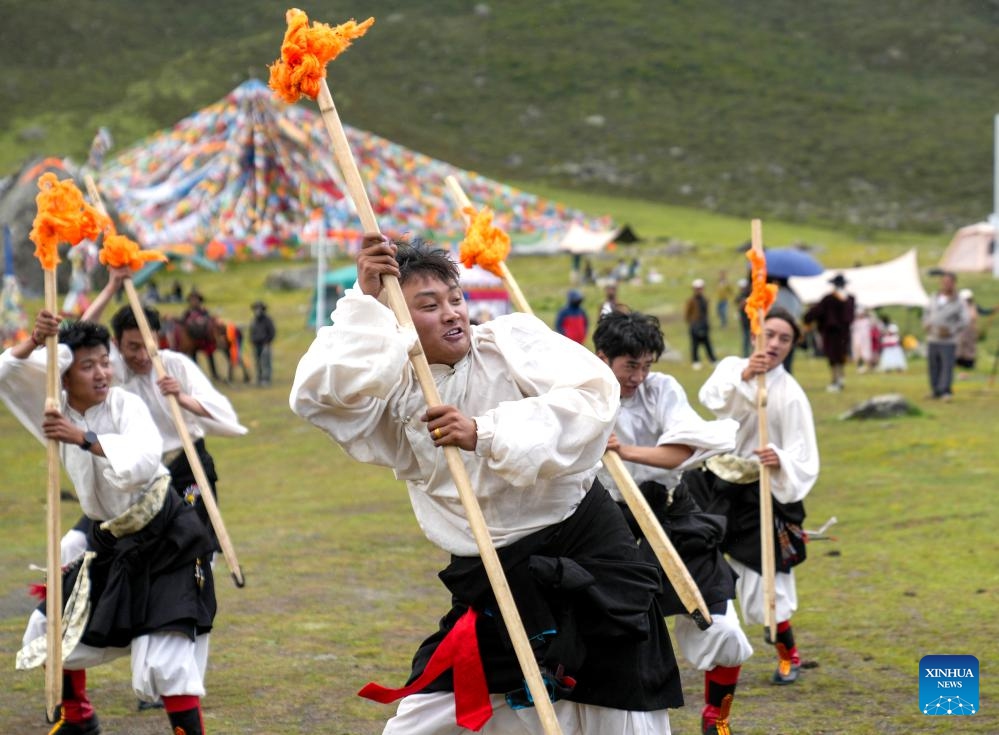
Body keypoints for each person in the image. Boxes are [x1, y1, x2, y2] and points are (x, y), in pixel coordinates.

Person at [290, 235, 681, 734]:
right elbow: (318, 397)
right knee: (419, 726)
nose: (452, 313)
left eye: (455, 298)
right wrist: (364, 304)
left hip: (586, 556)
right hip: (493, 577)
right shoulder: (390, 384)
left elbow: (594, 400)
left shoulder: (511, 342)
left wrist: (487, 432)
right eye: (428, 306)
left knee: (618, 718)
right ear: (396, 320)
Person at [1, 312, 217, 735]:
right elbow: (4, 374)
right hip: (111, 542)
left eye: (105, 361)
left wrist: (82, 438)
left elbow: (140, 464)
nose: (102, 372)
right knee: (51, 627)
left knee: (164, 661)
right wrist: (33, 342)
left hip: (166, 539)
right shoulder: (52, 406)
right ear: (63, 374)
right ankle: (78, 720)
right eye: (88, 365)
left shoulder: (126, 405)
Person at [591, 311, 753, 735]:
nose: (640, 376)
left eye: (647, 364)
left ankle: (717, 717)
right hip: (612, 523)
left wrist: (623, 450)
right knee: (618, 632)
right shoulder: (583, 394)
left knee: (721, 623)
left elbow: (678, 452)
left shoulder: (662, 389)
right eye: (631, 366)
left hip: (673, 512)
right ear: (603, 357)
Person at [695, 306, 819, 687]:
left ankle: (788, 653)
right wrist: (746, 375)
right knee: (701, 566)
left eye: (785, 338)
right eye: (769, 335)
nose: (776, 343)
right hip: (714, 484)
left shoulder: (792, 394)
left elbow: (805, 456)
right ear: (755, 336)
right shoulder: (732, 368)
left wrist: (777, 458)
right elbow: (713, 400)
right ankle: (714, 645)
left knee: (764, 582)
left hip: (759, 494)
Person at [803, 273, 855, 392]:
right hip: (844, 332)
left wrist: (807, 318)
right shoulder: (850, 299)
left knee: (833, 357)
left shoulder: (829, 299)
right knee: (840, 356)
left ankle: (836, 380)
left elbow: (817, 311)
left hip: (832, 332)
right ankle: (841, 378)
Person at [922, 271, 969, 400]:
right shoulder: (934, 297)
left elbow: (965, 320)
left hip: (948, 340)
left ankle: (945, 391)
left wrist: (952, 330)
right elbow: (926, 312)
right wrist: (926, 324)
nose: (946, 284)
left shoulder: (958, 301)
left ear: (954, 283)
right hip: (933, 337)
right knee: (933, 365)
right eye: (944, 282)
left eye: (949, 282)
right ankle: (935, 390)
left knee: (946, 365)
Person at [684, 279, 716, 370]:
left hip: (704, 324)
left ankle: (713, 360)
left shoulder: (705, 299)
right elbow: (687, 314)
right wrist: (692, 323)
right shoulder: (691, 300)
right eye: (697, 288)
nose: (699, 290)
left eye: (700, 288)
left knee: (707, 343)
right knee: (695, 344)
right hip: (695, 325)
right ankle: (695, 361)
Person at [250, 301, 277, 386]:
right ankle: (259, 377)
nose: (257, 310)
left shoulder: (267, 320)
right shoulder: (254, 321)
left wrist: (268, 341)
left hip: (265, 344)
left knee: (266, 362)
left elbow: (272, 332)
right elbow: (251, 332)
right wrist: (252, 340)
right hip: (256, 345)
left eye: (259, 308)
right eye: (256, 309)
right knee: (257, 362)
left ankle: (266, 379)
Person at [955, 288, 978, 374]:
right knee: (960, 345)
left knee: (970, 346)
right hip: (961, 329)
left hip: (971, 330)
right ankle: (959, 362)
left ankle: (969, 362)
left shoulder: (973, 307)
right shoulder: (959, 307)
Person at [850, 306, 875, 374]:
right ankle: (860, 366)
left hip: (865, 340)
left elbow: (873, 322)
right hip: (857, 339)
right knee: (858, 353)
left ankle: (870, 367)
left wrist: (870, 312)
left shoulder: (867, 320)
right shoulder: (854, 322)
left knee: (866, 353)